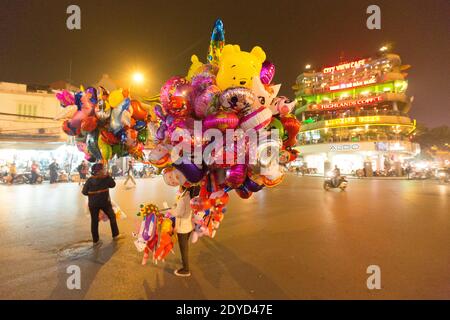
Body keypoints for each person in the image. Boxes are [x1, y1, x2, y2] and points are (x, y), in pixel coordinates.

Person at [82, 163, 125, 247]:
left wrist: (93, 195)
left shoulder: (90, 180)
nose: (105, 170)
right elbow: (113, 185)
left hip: (93, 204)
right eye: (103, 169)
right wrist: (108, 176)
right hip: (105, 203)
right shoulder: (105, 178)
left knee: (94, 221)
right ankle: (115, 235)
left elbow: (84, 192)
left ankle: (95, 241)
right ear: (98, 171)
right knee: (112, 217)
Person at [172, 185, 200, 277]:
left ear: (182, 188)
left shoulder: (183, 199)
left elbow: (178, 214)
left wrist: (173, 208)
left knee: (183, 249)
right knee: (185, 246)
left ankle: (186, 269)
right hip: (189, 226)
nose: (178, 187)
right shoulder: (190, 197)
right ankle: (184, 262)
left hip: (182, 228)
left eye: (179, 186)